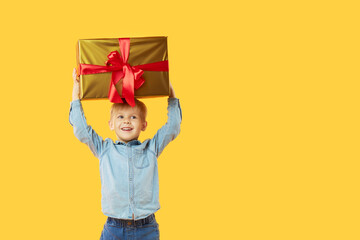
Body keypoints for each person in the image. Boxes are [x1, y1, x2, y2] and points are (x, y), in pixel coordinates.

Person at [69, 68, 182, 240]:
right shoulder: (104, 149)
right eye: (120, 117)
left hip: (147, 228)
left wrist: (171, 92)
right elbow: (81, 129)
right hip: (114, 228)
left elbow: (173, 126)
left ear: (144, 125)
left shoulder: (151, 148)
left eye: (133, 117)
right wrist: (76, 93)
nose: (127, 121)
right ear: (111, 124)